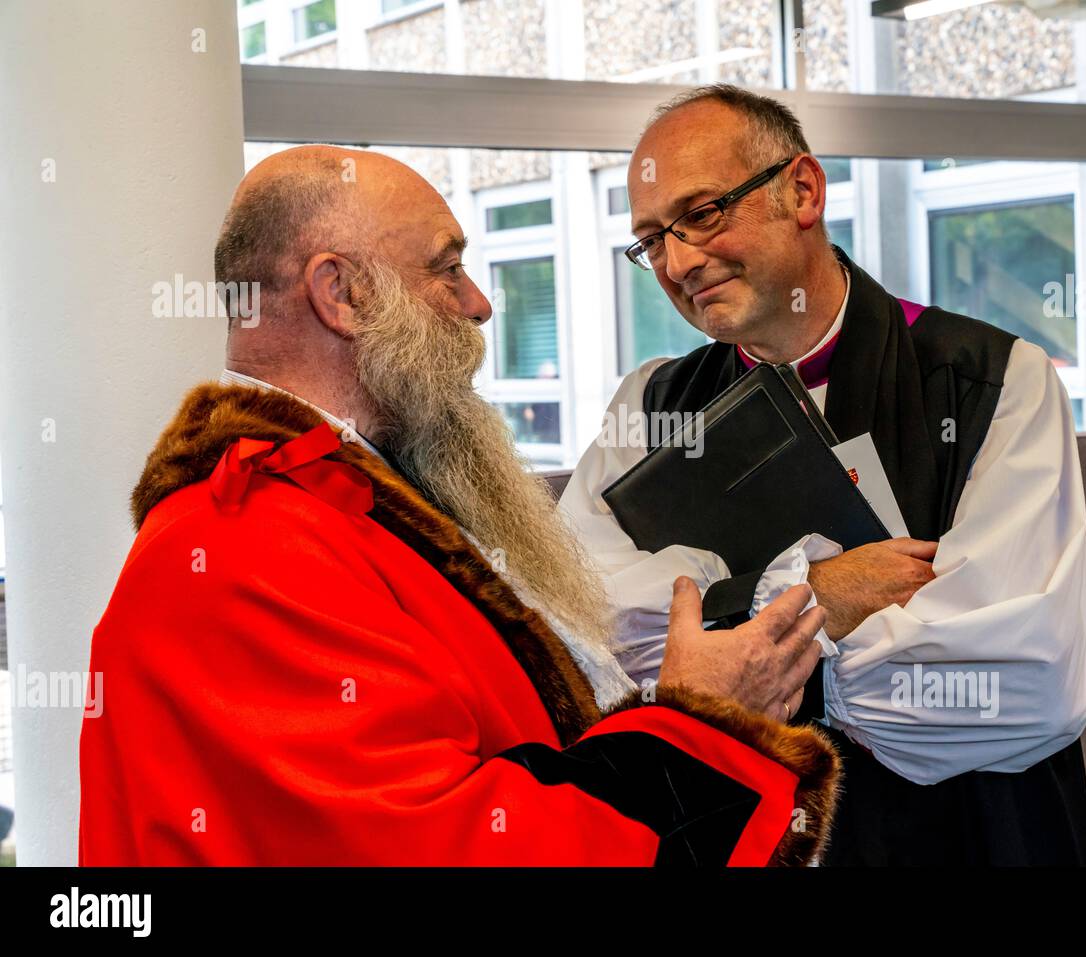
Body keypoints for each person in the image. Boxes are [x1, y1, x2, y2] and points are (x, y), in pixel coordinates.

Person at [77, 145, 840, 866]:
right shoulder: (238, 547)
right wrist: (694, 723)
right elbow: (443, 846)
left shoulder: (347, 497)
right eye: (447, 269)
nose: (479, 304)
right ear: (340, 293)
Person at [559, 85, 1086, 865]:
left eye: (704, 213)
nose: (677, 262)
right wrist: (826, 596)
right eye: (652, 241)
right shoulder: (652, 402)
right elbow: (591, 639)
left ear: (803, 191)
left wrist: (730, 660)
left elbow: (1021, 683)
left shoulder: (991, 379)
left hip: (962, 838)